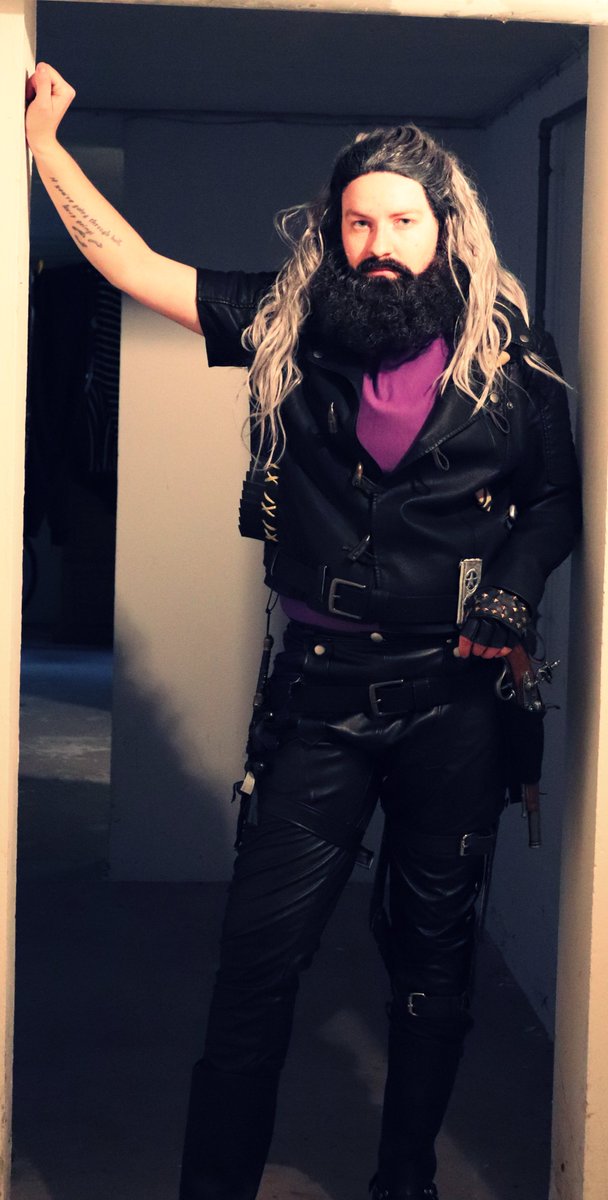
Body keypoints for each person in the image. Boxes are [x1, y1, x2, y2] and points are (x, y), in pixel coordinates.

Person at [26, 63, 580, 1200]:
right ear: (333, 231)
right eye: (358, 222)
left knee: (431, 974)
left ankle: (403, 1181)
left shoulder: (507, 354)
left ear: (444, 227)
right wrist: (43, 148)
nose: (379, 245)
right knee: (255, 968)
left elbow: (554, 498)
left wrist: (514, 591)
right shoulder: (288, 322)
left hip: (455, 704)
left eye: (402, 222)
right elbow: (133, 265)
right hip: (317, 699)